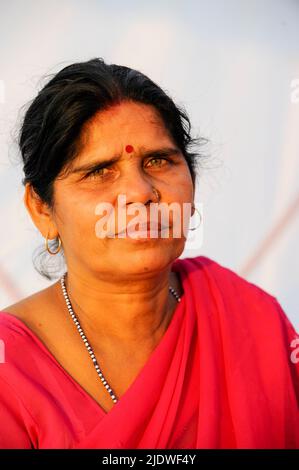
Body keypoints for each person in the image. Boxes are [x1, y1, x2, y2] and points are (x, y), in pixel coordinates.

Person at [0, 58, 298, 449]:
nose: (140, 193)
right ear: (42, 209)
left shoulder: (250, 320)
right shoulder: (10, 369)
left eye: (158, 161)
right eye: (100, 171)